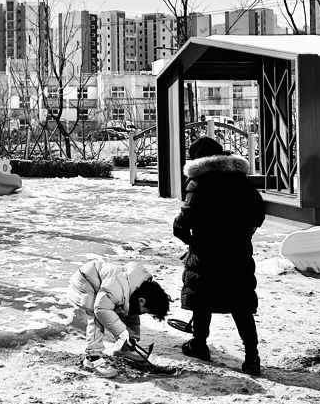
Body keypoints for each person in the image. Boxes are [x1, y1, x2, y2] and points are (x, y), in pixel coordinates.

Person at [172, 135, 266, 375]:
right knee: (241, 303)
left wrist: (192, 241)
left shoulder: (198, 183)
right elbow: (258, 214)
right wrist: (243, 234)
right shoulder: (241, 181)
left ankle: (199, 345)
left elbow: (184, 222)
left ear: (196, 159)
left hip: (206, 252)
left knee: (202, 298)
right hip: (238, 252)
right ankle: (252, 357)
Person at [67, 258, 172, 378]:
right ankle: (92, 358)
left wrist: (131, 335)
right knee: (97, 317)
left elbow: (130, 312)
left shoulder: (136, 287)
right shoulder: (118, 289)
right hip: (85, 282)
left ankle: (124, 349)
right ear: (142, 301)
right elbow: (101, 309)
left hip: (104, 287)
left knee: (130, 311)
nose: (143, 314)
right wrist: (122, 333)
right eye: (146, 311)